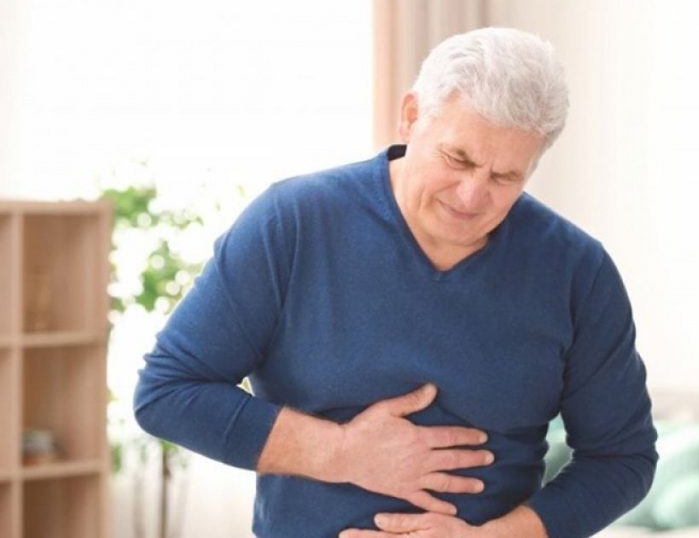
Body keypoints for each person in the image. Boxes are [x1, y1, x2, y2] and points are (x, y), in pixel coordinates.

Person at [134, 27, 657, 538]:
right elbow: (168, 392)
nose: (472, 195)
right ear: (411, 118)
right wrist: (340, 452)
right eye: (459, 158)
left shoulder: (575, 271)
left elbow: (621, 457)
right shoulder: (293, 223)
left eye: (504, 178)